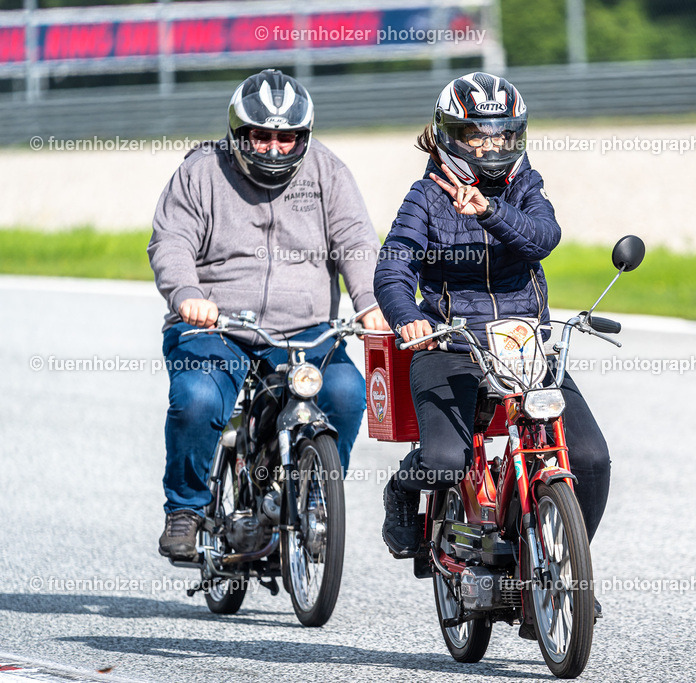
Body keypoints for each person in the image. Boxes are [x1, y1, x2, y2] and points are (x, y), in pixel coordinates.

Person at [373, 72, 611, 589]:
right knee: (442, 460)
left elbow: (543, 237)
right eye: (477, 136)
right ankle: (400, 489)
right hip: (451, 345)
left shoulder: (525, 185)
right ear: (449, 136)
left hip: (526, 346)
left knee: (590, 457)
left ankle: (563, 572)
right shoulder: (425, 198)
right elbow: (393, 270)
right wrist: (408, 318)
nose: (491, 147)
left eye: (502, 135)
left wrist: (489, 210)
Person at [149, 69, 387, 560]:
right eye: (262, 136)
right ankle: (187, 509)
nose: (275, 148)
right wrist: (187, 294)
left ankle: (314, 498)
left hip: (306, 330)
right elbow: (171, 242)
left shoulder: (327, 171)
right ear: (239, 134)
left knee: (345, 392)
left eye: (287, 137)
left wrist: (369, 303)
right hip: (216, 327)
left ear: (304, 137)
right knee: (195, 398)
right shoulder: (199, 172)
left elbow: (357, 243)